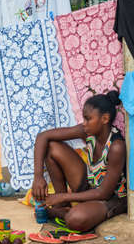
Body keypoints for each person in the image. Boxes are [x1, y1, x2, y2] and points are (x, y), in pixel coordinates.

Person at [32, 91, 127, 232]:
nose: (85, 123)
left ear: (105, 119)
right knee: (52, 147)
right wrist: (38, 176)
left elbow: (103, 193)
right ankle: (63, 207)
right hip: (90, 187)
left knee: (74, 219)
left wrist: (62, 196)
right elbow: (43, 137)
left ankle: (62, 211)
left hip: (109, 198)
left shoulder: (116, 146)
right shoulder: (87, 132)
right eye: (84, 118)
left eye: (88, 119)